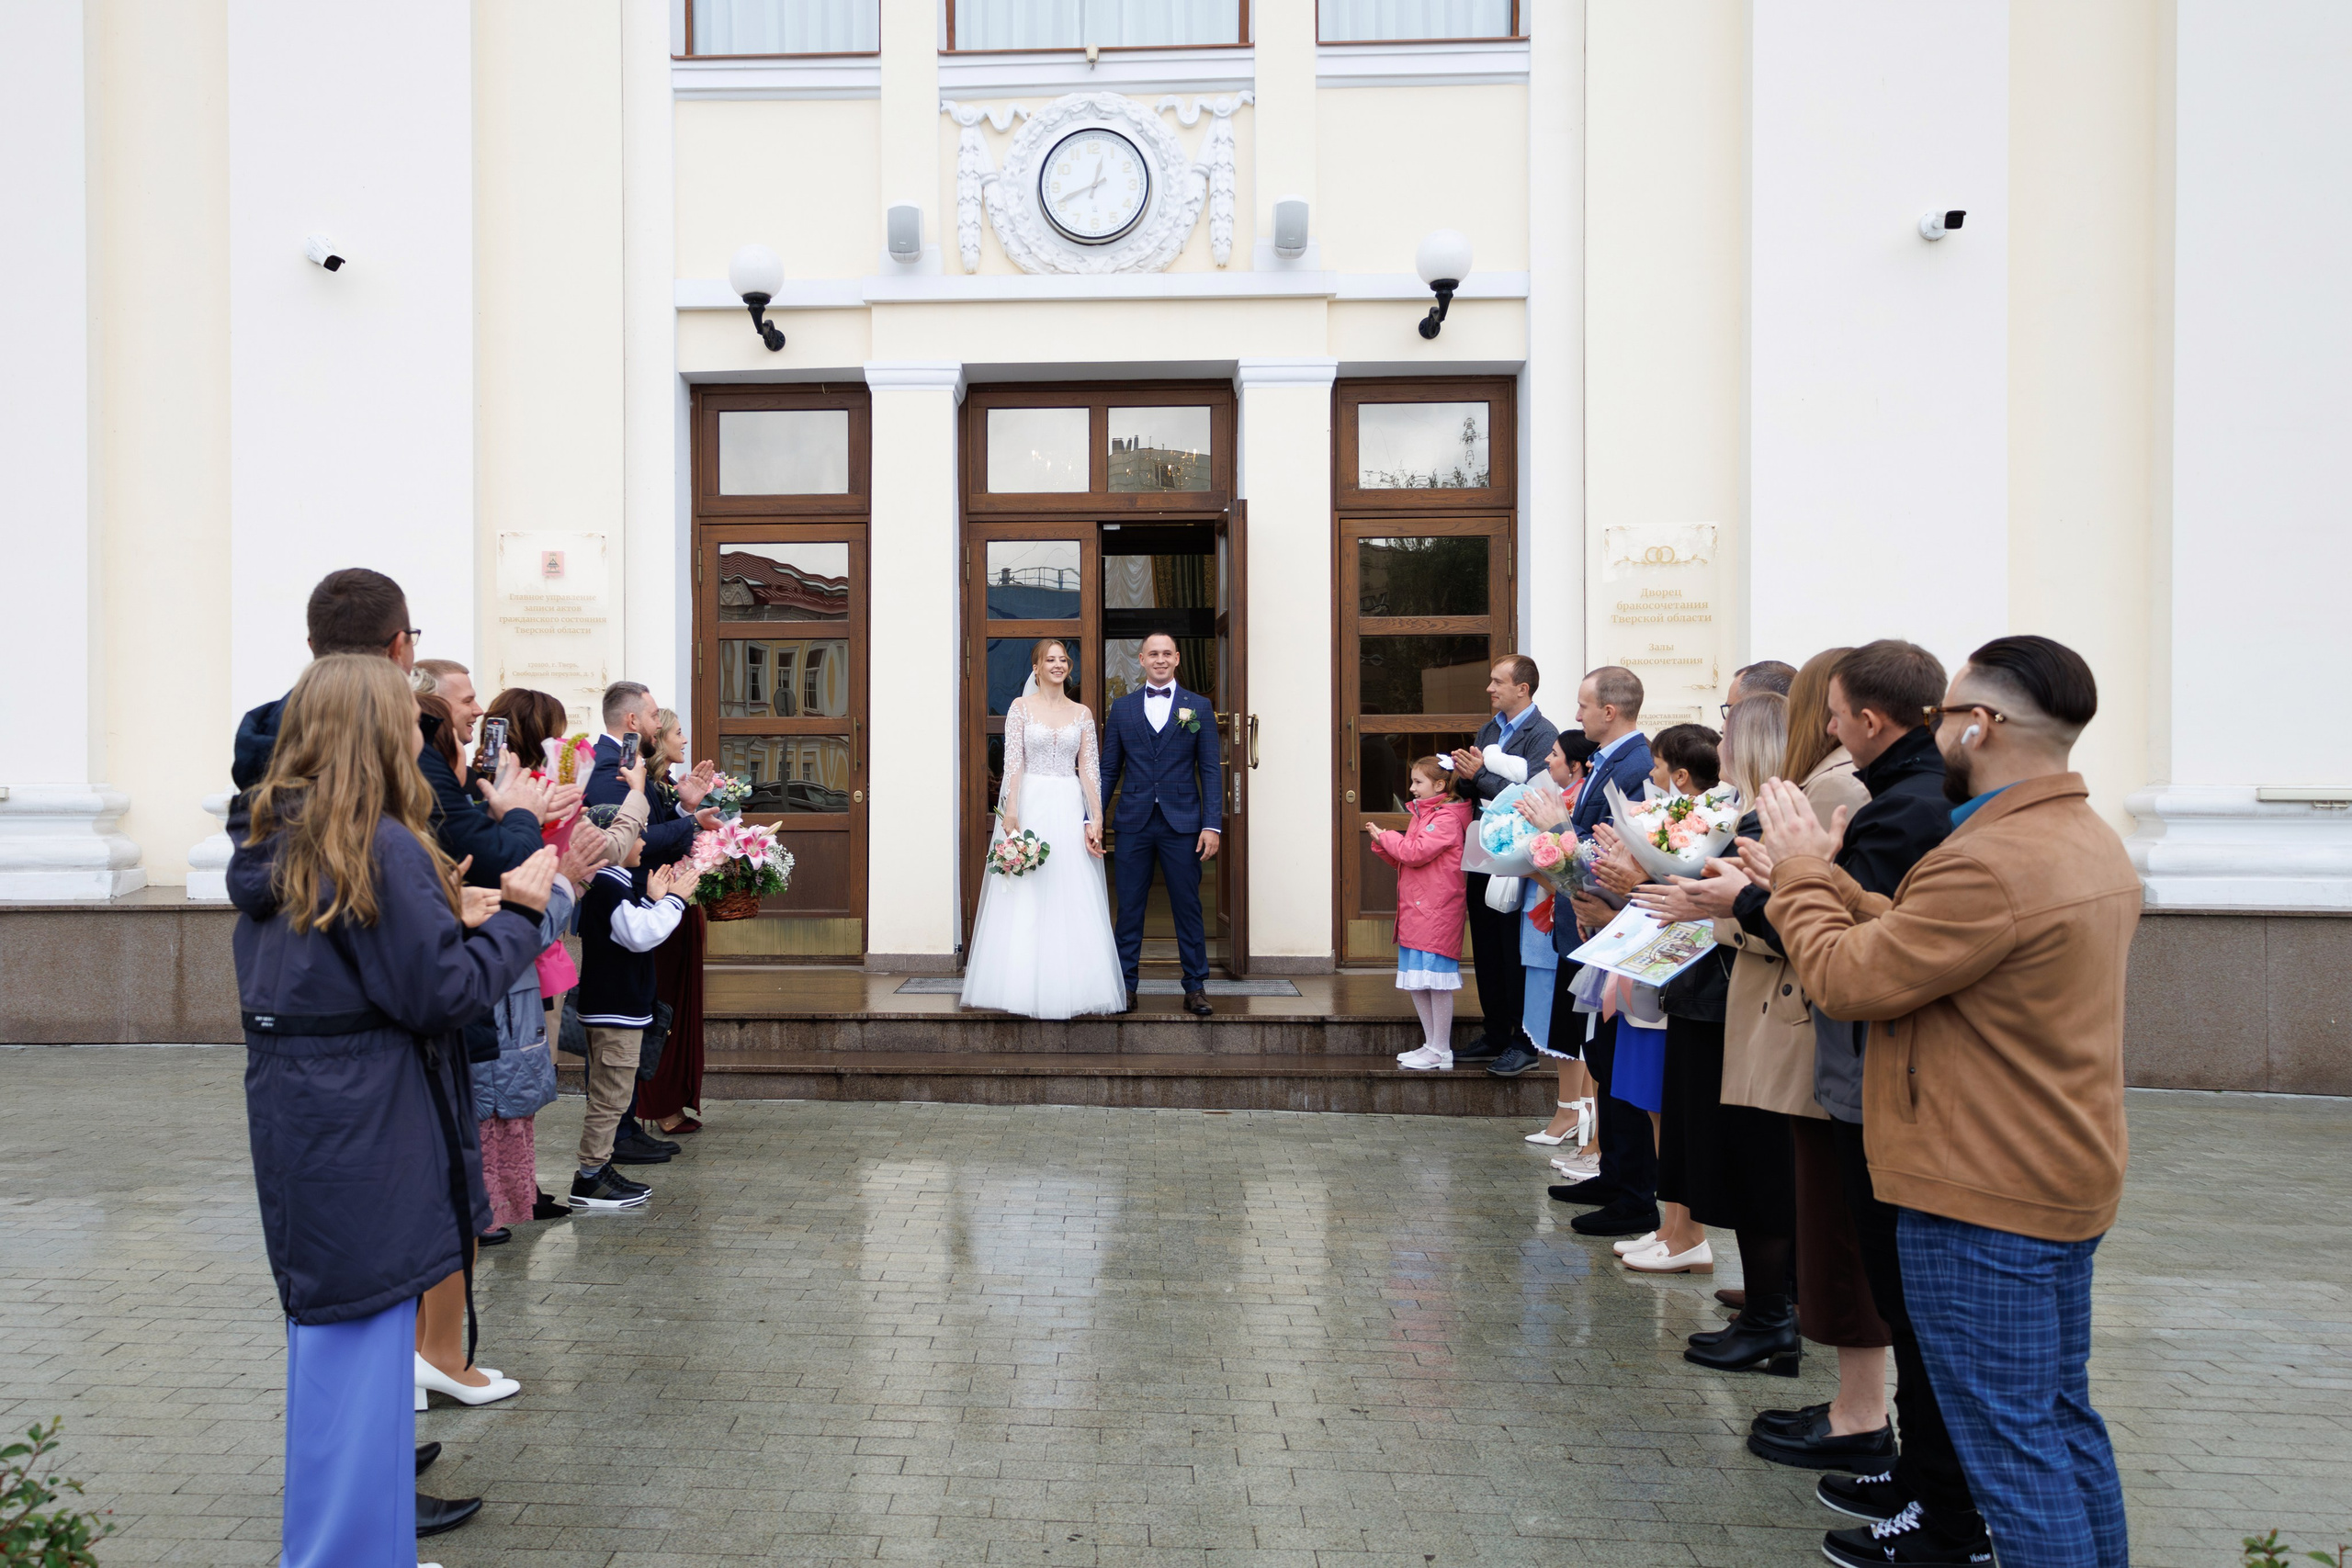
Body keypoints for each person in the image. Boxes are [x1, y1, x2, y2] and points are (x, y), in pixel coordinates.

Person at [1762, 635, 2139, 1568]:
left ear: (1983, 724)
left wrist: (1802, 874)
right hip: (2049, 1170)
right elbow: (1928, 940)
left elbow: (1849, 983)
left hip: (1981, 1187)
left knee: (2010, 1454)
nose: (1935, 733)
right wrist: (1843, 890)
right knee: (2057, 1424)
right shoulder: (2072, 835)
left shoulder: (1994, 856)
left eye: (1946, 714)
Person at [231, 653, 557, 1564]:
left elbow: (354, 976)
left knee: (343, 1355)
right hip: (370, 1124)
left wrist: (449, 913)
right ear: (375, 733)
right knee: (359, 1347)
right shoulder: (381, 845)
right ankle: (345, 1554)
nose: (425, 733)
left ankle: (365, 1545)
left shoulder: (283, 837)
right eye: (407, 722)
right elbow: (437, 995)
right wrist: (521, 918)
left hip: (312, 1123)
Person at [1736, 639, 1991, 1562]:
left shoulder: (1913, 808)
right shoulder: (1915, 798)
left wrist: (1791, 881)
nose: (1833, 733)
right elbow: (1867, 919)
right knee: (1902, 1297)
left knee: (1915, 1309)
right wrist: (1794, 881)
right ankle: (1919, 1477)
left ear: (1874, 721)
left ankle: (1942, 1511)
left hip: (1893, 1084)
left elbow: (1851, 964)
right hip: (1883, 1080)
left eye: (1838, 715)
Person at [1657, 651, 1893, 1461]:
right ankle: (1776, 1317)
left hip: (1791, 1006)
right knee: (1770, 1175)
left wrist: (1735, 898)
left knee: (1777, 1180)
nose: (1829, 725)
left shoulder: (1831, 790)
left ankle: (1784, 1331)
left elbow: (1822, 915)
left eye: (1730, 716)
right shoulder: (1818, 783)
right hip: (1769, 998)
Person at [1538, 668, 1660, 1237]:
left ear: (1610, 710)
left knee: (1617, 1060)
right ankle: (1615, 1173)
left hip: (1614, 922)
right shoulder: (1613, 758)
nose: (1578, 714)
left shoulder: (1634, 766)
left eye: (1585, 705)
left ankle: (1634, 1190)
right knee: (1605, 1056)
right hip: (1593, 919)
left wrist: (1557, 829)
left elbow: (1616, 849)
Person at [582, 680, 715, 1162]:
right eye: (656, 715)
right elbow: (627, 840)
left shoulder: (628, 766)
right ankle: (613, 1138)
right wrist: (689, 823)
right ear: (634, 721)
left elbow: (648, 831)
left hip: (642, 904)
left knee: (636, 1022)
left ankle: (625, 1125)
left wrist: (683, 809)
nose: (662, 724)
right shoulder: (608, 772)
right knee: (618, 1033)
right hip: (622, 911)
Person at [962, 639, 1127, 1019]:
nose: (1057, 664)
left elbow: (1088, 769)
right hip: (1032, 804)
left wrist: (1096, 818)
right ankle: (1020, 985)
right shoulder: (1020, 708)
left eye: (1063, 659)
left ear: (1069, 668)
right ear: (1036, 668)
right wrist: (1011, 813)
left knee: (1070, 888)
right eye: (1049, 660)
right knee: (1028, 890)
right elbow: (1013, 764)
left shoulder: (1082, 713)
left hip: (1068, 805)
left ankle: (1075, 985)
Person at [1099, 630, 1223, 1016]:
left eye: (1167, 653)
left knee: (1188, 907)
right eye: (1153, 654)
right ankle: (1126, 985)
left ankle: (1196, 987)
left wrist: (1212, 824)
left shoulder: (1198, 707)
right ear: (1141, 659)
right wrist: (1092, 819)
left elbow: (1210, 771)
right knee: (1130, 907)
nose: (1160, 659)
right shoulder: (1122, 708)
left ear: (1178, 658)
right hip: (1134, 822)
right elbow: (1107, 771)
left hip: (1183, 823)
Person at [1446, 656, 1559, 1066]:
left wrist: (1479, 776)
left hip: (1519, 855)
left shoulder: (1543, 734)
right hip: (1483, 848)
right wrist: (1463, 773)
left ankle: (1522, 1041)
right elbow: (1474, 784)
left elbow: (1531, 794)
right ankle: (1494, 1033)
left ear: (1522, 689)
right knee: (1488, 946)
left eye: (1498, 682)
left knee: (1514, 949)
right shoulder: (1491, 728)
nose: (1490, 689)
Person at [572, 838, 695, 1209]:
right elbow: (640, 936)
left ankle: (598, 1169)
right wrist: (674, 900)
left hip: (617, 1007)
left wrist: (653, 899)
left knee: (613, 1096)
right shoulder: (608, 886)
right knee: (610, 1099)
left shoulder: (614, 883)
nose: (643, 840)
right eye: (635, 835)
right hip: (615, 1011)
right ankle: (591, 1180)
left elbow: (625, 932)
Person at [1517, 730, 1602, 1153]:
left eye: (1555, 755)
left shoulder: (1571, 803)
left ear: (1578, 764)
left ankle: (1571, 1110)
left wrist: (1533, 869)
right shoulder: (1567, 797)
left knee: (1570, 1026)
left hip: (1576, 922)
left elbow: (1572, 872)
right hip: (1569, 923)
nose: (1548, 761)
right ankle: (1580, 1108)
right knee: (1576, 1025)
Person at [1363, 755, 1474, 1068]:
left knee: (1435, 980)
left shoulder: (1447, 818)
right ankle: (1431, 1044)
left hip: (1435, 910)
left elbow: (1413, 853)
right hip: (1419, 909)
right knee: (1418, 979)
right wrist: (1385, 844)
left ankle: (1441, 1049)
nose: (1411, 788)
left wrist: (1387, 837)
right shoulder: (1425, 814)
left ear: (1440, 785)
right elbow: (1407, 858)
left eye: (1418, 782)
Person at [634, 708, 712, 1133]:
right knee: (663, 1003)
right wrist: (689, 816)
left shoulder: (665, 786)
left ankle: (670, 1101)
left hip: (679, 904)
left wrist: (688, 808)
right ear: (659, 738)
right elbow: (648, 845)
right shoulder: (644, 787)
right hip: (658, 905)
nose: (685, 740)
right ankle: (658, 1104)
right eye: (679, 733)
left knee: (678, 1005)